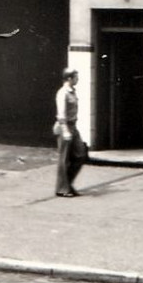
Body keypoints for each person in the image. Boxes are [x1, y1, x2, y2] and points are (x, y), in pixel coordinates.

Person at [54, 67, 84, 197]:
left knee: (81, 155)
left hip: (73, 126)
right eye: (76, 77)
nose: (78, 79)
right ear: (69, 78)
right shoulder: (62, 93)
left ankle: (67, 183)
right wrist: (65, 131)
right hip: (65, 127)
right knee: (64, 158)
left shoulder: (72, 92)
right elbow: (61, 115)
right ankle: (62, 188)